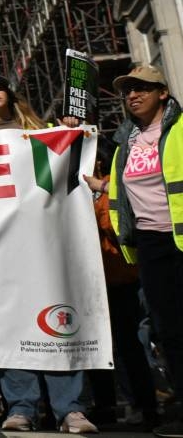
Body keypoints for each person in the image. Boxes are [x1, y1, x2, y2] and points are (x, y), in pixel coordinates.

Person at [0, 74, 97, 434]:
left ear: (10, 94)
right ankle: (21, 406)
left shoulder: (43, 133)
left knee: (58, 321)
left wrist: (69, 130)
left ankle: (69, 409)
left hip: (42, 244)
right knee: (9, 325)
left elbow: (69, 174)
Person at [82, 64, 183, 438]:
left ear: (163, 94)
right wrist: (101, 186)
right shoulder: (126, 141)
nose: (132, 95)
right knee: (169, 331)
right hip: (150, 244)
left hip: (181, 239)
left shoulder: (179, 130)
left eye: (142, 88)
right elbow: (123, 191)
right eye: (128, 90)